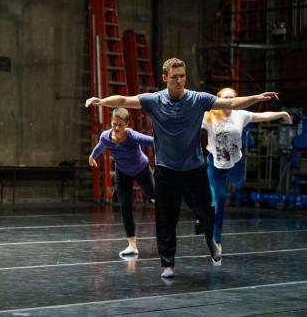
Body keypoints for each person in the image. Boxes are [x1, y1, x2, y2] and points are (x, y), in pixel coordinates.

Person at [86, 57, 279, 279]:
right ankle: (168, 264)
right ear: (165, 78)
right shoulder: (154, 100)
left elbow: (230, 104)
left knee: (207, 212)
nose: (179, 80)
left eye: (182, 76)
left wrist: (256, 97)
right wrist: (101, 101)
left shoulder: (198, 99)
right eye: (175, 77)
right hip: (166, 170)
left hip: (194, 169)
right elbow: (124, 99)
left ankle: (211, 241)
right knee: (166, 218)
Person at [202, 87, 291, 255]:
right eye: (225, 98)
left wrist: (282, 114)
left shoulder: (240, 115)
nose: (229, 101)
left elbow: (262, 116)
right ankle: (217, 240)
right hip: (215, 165)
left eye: (232, 98)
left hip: (235, 163)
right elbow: (186, 120)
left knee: (237, 182)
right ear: (219, 99)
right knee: (218, 200)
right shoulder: (209, 116)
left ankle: (233, 183)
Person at [89, 107, 155, 257]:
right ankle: (132, 245)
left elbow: (153, 142)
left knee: (153, 195)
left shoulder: (132, 136)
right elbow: (100, 147)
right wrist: (92, 156)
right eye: (114, 124)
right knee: (125, 206)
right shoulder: (106, 136)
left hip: (141, 169)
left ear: (127, 124)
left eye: (120, 125)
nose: (117, 128)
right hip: (122, 172)